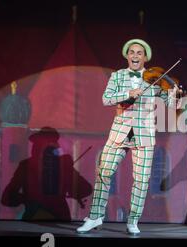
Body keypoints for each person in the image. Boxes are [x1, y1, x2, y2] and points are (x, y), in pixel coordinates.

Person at [77, 39, 180, 235]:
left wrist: (175, 94)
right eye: (131, 52)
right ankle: (95, 217)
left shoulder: (155, 79)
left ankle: (133, 221)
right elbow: (106, 99)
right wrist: (128, 93)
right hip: (119, 133)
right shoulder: (117, 76)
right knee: (103, 173)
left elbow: (172, 105)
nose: (135, 56)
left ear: (145, 57)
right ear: (127, 55)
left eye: (139, 53)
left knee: (141, 181)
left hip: (144, 136)